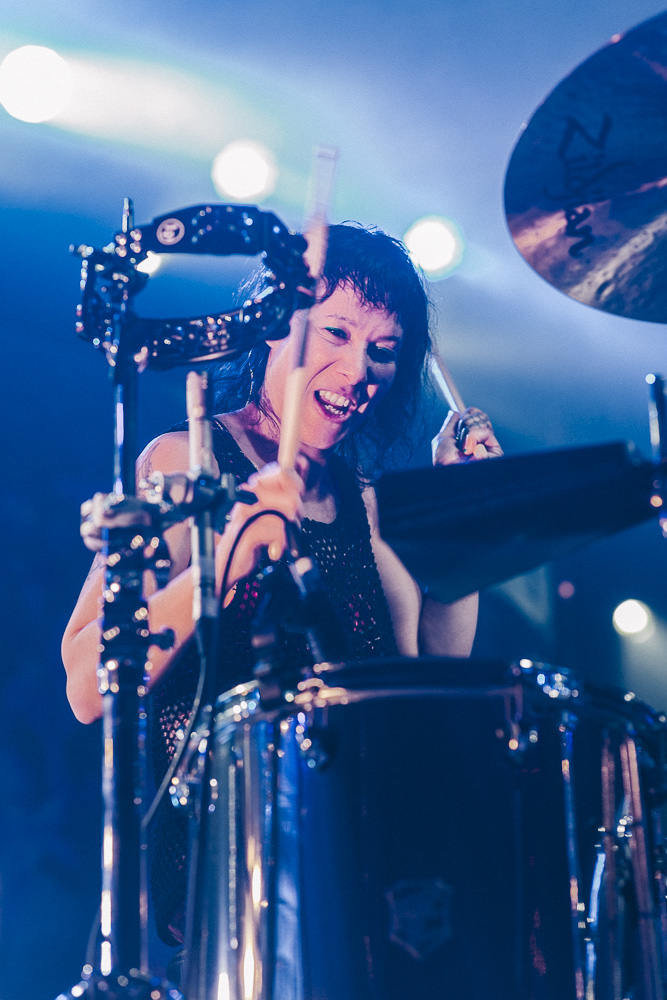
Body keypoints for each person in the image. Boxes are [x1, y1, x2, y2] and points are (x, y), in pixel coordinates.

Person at [62, 222, 502, 943]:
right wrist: (226, 555)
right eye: (335, 332)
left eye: (383, 351)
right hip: (238, 865)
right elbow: (86, 682)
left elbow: (431, 678)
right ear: (272, 324)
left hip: (374, 860)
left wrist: (457, 523)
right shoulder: (189, 460)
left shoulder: (364, 500)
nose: (360, 369)